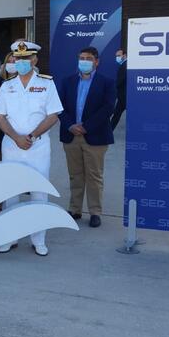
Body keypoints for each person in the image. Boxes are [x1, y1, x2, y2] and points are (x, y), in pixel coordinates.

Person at [0, 41, 63, 256]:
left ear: (34, 60)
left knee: (39, 192)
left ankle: (38, 239)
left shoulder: (47, 84)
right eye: (18, 58)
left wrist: (31, 136)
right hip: (12, 147)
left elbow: (53, 115)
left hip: (37, 147)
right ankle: (10, 236)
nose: (21, 62)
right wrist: (16, 137)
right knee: (10, 192)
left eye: (26, 58)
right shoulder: (7, 85)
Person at [58, 47, 116, 228]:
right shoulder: (67, 81)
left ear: (96, 61)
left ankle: (95, 212)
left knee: (94, 176)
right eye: (81, 58)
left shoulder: (107, 82)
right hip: (71, 135)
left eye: (88, 58)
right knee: (75, 175)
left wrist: (86, 127)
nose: (84, 61)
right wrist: (70, 125)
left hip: (95, 136)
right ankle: (74, 209)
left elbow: (108, 108)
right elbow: (59, 106)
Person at [0, 52, 18, 160]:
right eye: (9, 62)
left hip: (17, 126)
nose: (11, 64)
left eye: (14, 62)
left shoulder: (24, 83)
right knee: (1, 157)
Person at [110, 48, 127, 130]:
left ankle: (108, 131)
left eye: (119, 55)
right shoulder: (124, 65)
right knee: (116, 115)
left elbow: (120, 81)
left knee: (116, 115)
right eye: (116, 56)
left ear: (125, 55)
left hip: (124, 97)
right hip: (122, 97)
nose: (117, 57)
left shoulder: (124, 65)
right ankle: (108, 131)